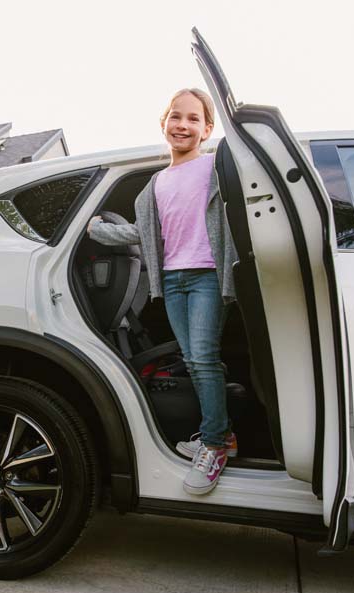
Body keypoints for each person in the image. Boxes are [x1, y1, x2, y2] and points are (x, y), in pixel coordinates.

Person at [87, 87, 238, 496]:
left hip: (207, 274)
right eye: (176, 116)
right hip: (172, 279)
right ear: (164, 123)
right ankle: (221, 432)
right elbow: (146, 233)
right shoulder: (154, 184)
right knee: (193, 359)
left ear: (208, 129)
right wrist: (99, 229)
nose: (183, 125)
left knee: (204, 358)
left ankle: (215, 443)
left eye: (193, 119)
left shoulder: (215, 170)